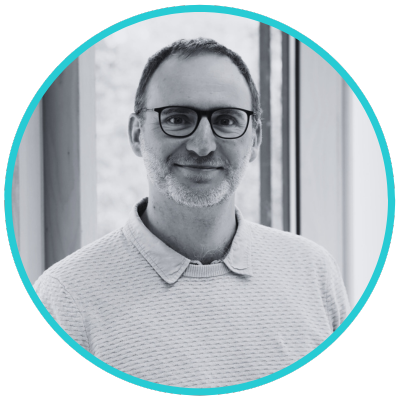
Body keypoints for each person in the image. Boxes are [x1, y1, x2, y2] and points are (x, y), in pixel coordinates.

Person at [33, 38, 350, 388]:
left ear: (255, 140)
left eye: (226, 120)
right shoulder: (65, 297)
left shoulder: (313, 272)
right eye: (177, 118)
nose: (202, 145)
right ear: (136, 134)